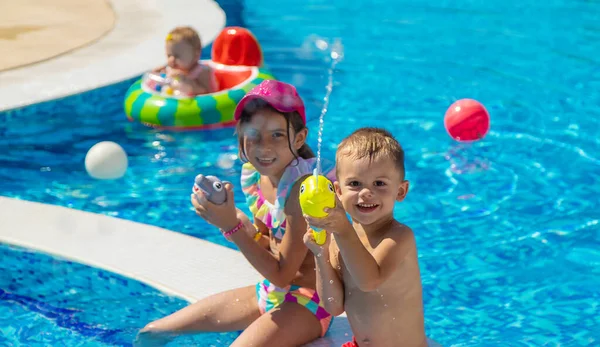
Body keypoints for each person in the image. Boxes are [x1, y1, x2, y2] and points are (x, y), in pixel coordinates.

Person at [136, 80, 336, 346]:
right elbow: (269, 247)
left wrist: (231, 228)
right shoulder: (255, 177)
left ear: (299, 138)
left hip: (309, 303)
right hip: (270, 292)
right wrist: (244, 228)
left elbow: (282, 273)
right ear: (241, 136)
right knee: (151, 333)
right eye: (254, 135)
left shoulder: (303, 189)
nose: (264, 146)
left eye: (277, 135)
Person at [303, 127, 428, 347]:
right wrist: (321, 254)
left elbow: (369, 281)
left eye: (379, 183)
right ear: (338, 192)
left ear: (400, 191)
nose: (365, 193)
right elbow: (332, 306)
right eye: (354, 183)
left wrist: (342, 230)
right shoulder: (338, 240)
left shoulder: (399, 237)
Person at [152, 26, 218, 95]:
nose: (171, 60)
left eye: (177, 56)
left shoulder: (203, 72)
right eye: (169, 55)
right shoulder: (172, 69)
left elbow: (206, 93)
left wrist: (185, 79)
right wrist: (157, 74)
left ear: (196, 55)